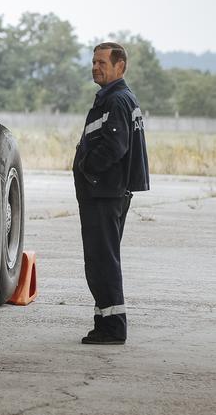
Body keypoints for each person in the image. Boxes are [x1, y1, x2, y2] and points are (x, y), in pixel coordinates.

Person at [73, 42, 149, 344]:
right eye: (94, 62)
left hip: (104, 194)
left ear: (120, 66)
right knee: (102, 259)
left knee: (102, 260)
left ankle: (113, 327)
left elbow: (115, 147)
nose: (96, 67)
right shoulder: (117, 98)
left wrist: (87, 169)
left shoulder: (116, 100)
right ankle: (104, 321)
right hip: (106, 193)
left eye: (102, 62)